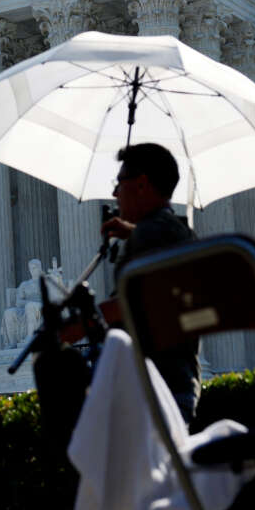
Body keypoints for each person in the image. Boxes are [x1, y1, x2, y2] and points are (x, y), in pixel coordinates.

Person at [99, 142, 200, 423]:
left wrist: (85, 320)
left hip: (150, 393)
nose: (115, 193)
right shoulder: (176, 231)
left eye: (120, 183)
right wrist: (133, 232)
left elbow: (136, 305)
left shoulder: (150, 235)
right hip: (175, 387)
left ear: (142, 184)